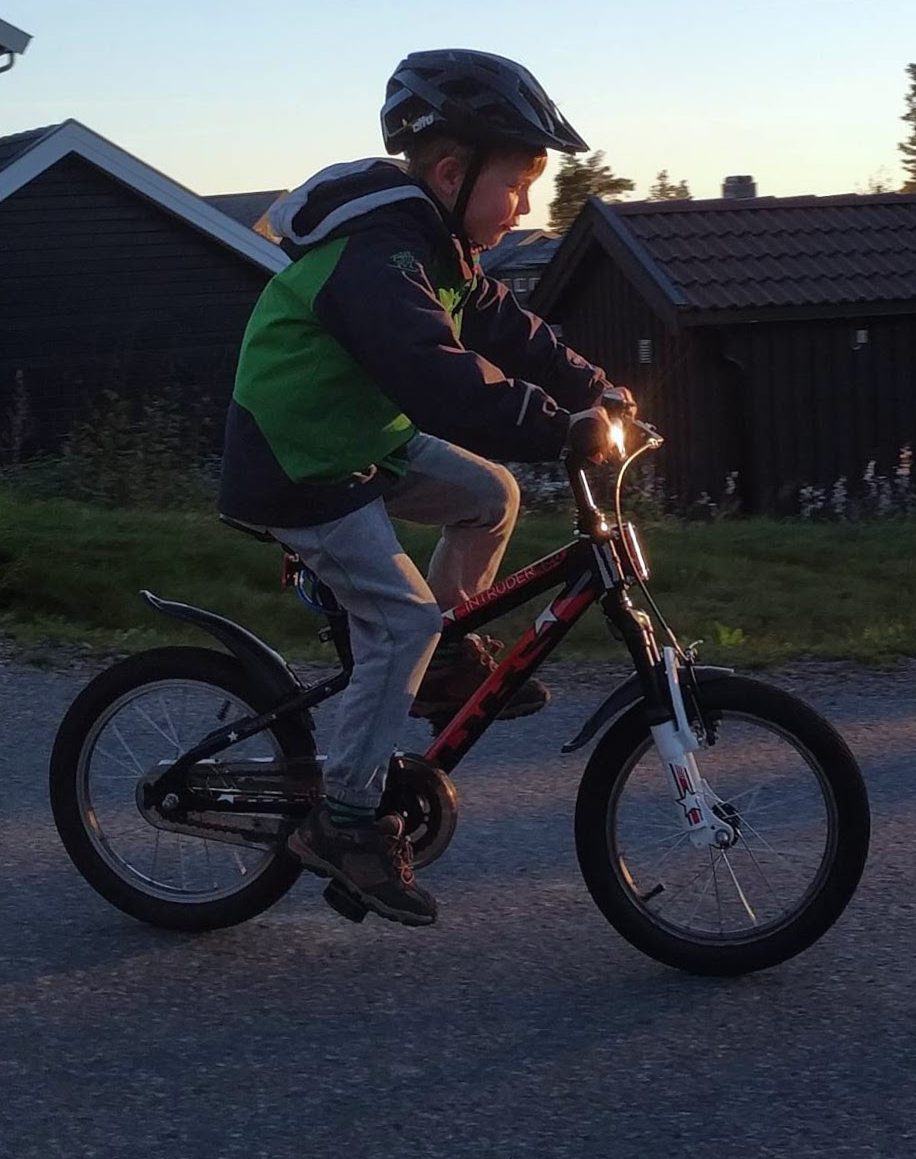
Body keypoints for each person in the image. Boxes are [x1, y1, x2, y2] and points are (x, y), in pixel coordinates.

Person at [220, 48, 630, 926]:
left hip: (361, 440)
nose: (523, 205)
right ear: (452, 171)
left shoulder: (435, 247)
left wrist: (591, 388)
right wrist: (557, 429)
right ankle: (345, 818)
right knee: (397, 619)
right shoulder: (377, 256)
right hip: (297, 460)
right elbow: (436, 373)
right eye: (518, 185)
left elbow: (502, 327)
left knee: (490, 497)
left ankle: (444, 658)